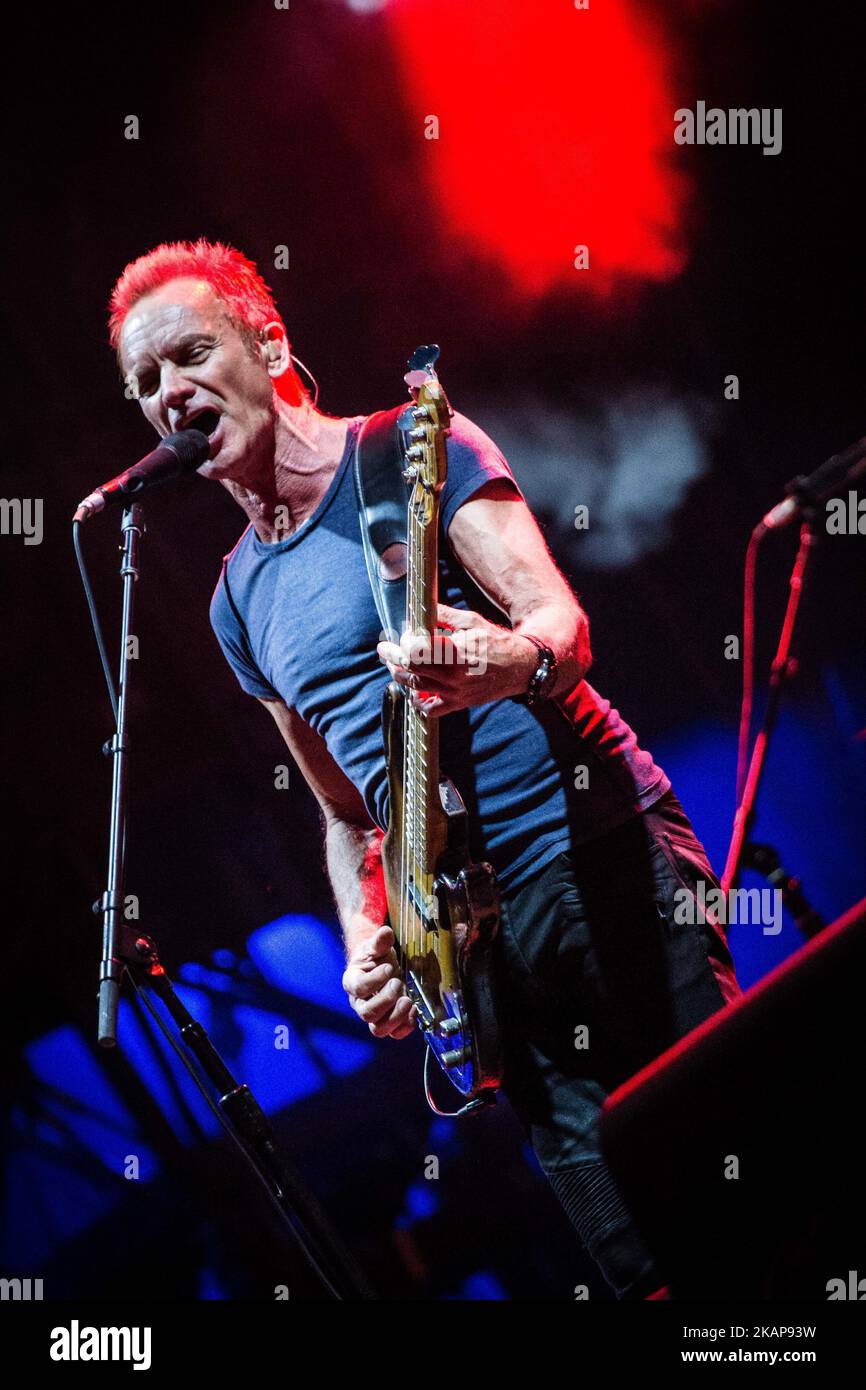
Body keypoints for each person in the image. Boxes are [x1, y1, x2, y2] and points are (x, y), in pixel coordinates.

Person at [109, 238, 742, 1300]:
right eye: (144, 382)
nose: (170, 393)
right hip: (479, 957)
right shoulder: (232, 603)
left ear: (269, 345)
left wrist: (504, 661)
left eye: (188, 354)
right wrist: (369, 941)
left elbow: (562, 629)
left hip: (589, 853)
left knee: (738, 1174)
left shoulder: (407, 447)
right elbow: (344, 811)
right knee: (636, 1260)